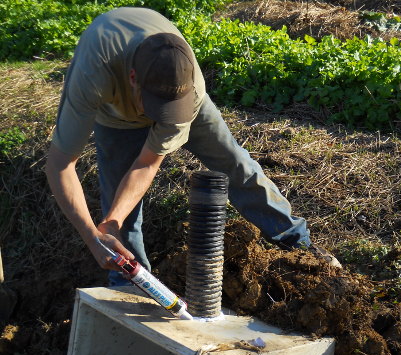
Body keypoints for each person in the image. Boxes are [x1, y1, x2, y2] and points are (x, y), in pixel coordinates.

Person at [45, 7, 341, 286]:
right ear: (132, 79)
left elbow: (147, 163)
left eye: (168, 110)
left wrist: (112, 220)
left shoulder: (190, 87)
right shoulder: (93, 74)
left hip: (178, 99)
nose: (159, 118)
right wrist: (97, 233)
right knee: (119, 217)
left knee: (235, 165)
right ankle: (129, 285)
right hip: (115, 119)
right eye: (153, 106)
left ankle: (300, 246)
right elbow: (60, 164)